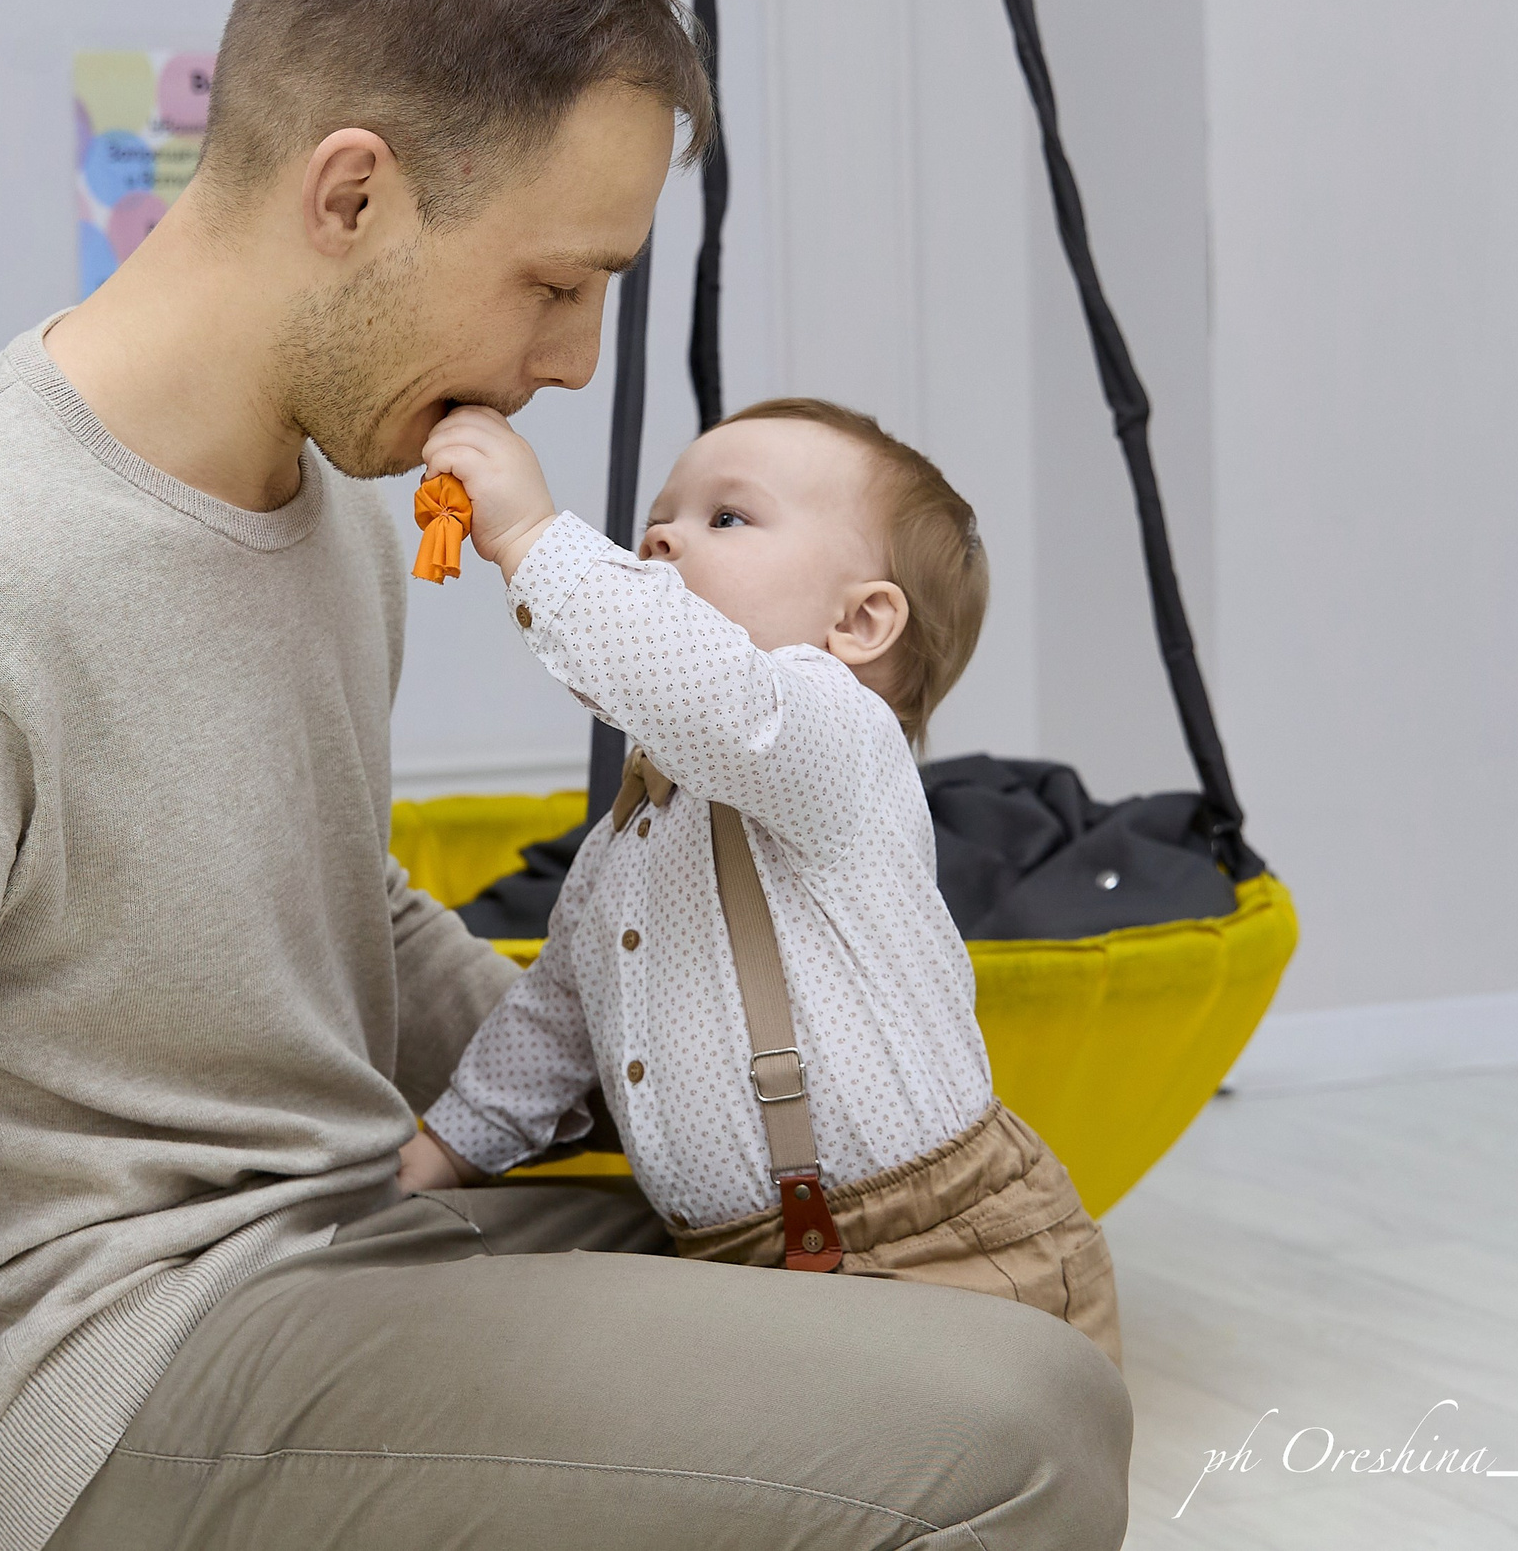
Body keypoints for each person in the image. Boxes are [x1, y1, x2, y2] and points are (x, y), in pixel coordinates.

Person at [0, 0, 1133, 1548]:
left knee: (983, 1327)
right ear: (353, 196)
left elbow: (335, 921)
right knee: (1016, 1432)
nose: (580, 363)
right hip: (121, 1358)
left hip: (347, 1231)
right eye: (555, 282)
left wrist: (669, 1048)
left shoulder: (332, 523)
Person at [401, 398, 1123, 1369]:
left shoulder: (832, 738)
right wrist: (441, 1153)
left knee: (990, 1481)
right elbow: (551, 1021)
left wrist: (534, 536)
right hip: (738, 1261)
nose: (660, 533)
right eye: (661, 514)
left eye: (725, 517)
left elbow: (707, 693)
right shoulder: (626, 845)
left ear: (859, 622)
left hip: (945, 1244)